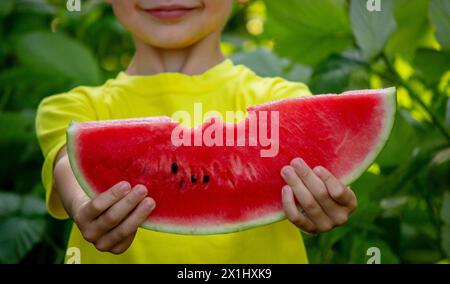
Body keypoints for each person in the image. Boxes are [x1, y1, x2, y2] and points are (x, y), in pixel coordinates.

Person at [36, 0, 357, 264]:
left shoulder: (284, 101)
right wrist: (83, 206)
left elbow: (317, 170)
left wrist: (318, 200)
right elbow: (70, 167)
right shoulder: (71, 110)